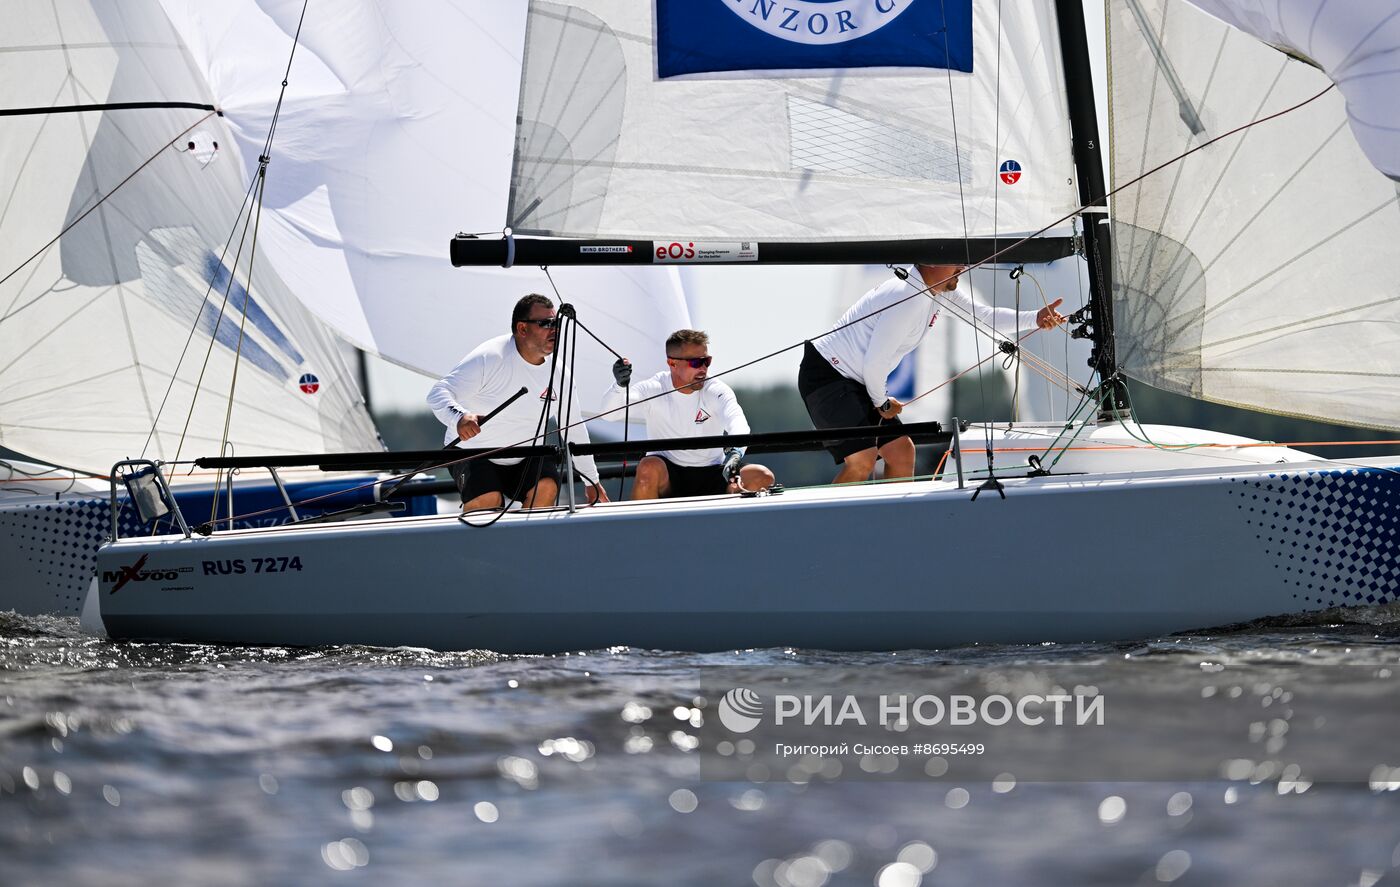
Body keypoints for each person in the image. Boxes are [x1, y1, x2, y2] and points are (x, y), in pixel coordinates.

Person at [798, 264, 1066, 484]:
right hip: (828, 372)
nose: (963, 268)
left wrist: (1036, 318)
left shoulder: (940, 290)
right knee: (863, 460)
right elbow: (874, 364)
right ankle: (826, 532)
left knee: (902, 453)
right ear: (932, 264)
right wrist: (882, 402)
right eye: (955, 263)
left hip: (857, 379)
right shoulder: (907, 297)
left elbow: (984, 316)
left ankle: (894, 532)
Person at [427, 294, 608, 511]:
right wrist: (459, 418)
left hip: (524, 457)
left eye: (556, 323)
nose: (555, 330)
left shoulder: (560, 373)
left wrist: (592, 482)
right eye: (546, 323)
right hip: (473, 453)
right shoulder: (490, 357)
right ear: (522, 329)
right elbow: (438, 392)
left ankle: (527, 545)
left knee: (547, 487)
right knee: (488, 500)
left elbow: (574, 429)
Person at [601, 329, 775, 499]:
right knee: (648, 467)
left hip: (714, 471)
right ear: (672, 363)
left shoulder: (716, 389)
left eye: (707, 361)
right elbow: (609, 414)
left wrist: (736, 452)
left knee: (762, 476)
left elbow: (737, 420)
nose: (703, 368)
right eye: (696, 363)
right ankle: (640, 527)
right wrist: (619, 386)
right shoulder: (654, 387)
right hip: (669, 475)